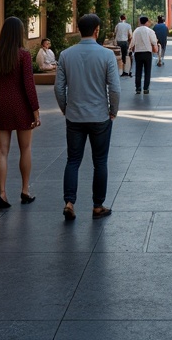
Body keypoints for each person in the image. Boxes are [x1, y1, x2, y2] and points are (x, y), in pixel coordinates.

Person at [54, 12, 120, 221]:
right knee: (100, 161)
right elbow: (115, 89)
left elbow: (58, 87)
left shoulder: (65, 55)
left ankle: (69, 202)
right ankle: (97, 206)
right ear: (97, 30)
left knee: (73, 160)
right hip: (99, 116)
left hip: (74, 117)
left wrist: (65, 108)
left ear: (78, 30)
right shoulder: (106, 55)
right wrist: (113, 110)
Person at [0, 16, 41, 209]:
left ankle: (2, 193)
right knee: (25, 148)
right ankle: (25, 190)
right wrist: (35, 109)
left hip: (0, 105)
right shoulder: (24, 55)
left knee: (2, 151)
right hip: (20, 106)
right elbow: (28, 84)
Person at [130, 15, 159, 94]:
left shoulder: (136, 31)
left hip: (138, 53)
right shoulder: (150, 31)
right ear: (146, 22)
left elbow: (132, 43)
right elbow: (154, 42)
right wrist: (156, 49)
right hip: (147, 53)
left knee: (138, 70)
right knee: (147, 71)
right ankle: (146, 88)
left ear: (140, 22)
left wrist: (131, 49)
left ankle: (138, 88)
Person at [114, 13, 133, 77]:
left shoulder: (117, 25)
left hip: (118, 42)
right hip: (125, 42)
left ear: (120, 18)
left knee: (119, 55)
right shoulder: (128, 25)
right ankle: (125, 71)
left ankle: (119, 70)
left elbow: (115, 32)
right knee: (125, 56)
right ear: (126, 18)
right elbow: (130, 35)